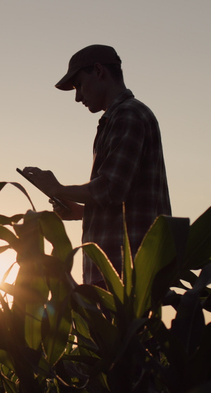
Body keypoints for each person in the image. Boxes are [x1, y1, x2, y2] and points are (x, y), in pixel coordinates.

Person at [22, 44, 171, 287]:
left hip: (125, 269)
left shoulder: (127, 115)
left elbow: (111, 188)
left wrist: (57, 189)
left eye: (79, 85)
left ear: (99, 71)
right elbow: (125, 199)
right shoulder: (120, 117)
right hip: (122, 268)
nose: (78, 96)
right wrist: (82, 212)